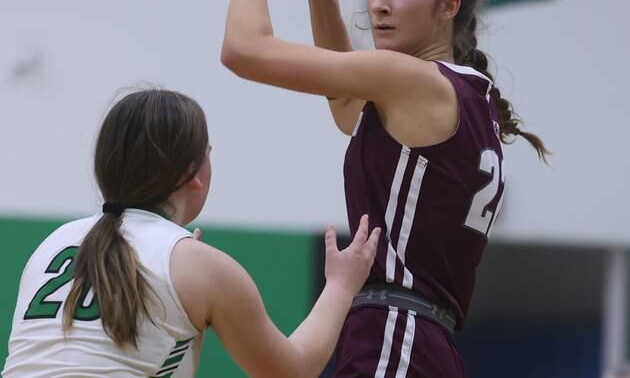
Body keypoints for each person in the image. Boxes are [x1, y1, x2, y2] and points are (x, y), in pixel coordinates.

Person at [223, 0, 547, 377]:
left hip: (395, 335)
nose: (378, 3)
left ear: (449, 6)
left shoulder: (411, 79)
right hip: (421, 341)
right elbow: (348, 110)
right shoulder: (464, 94)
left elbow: (243, 50)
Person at [3, 88, 380, 377]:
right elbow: (291, 370)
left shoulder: (51, 243)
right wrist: (341, 285)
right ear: (192, 174)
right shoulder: (202, 268)